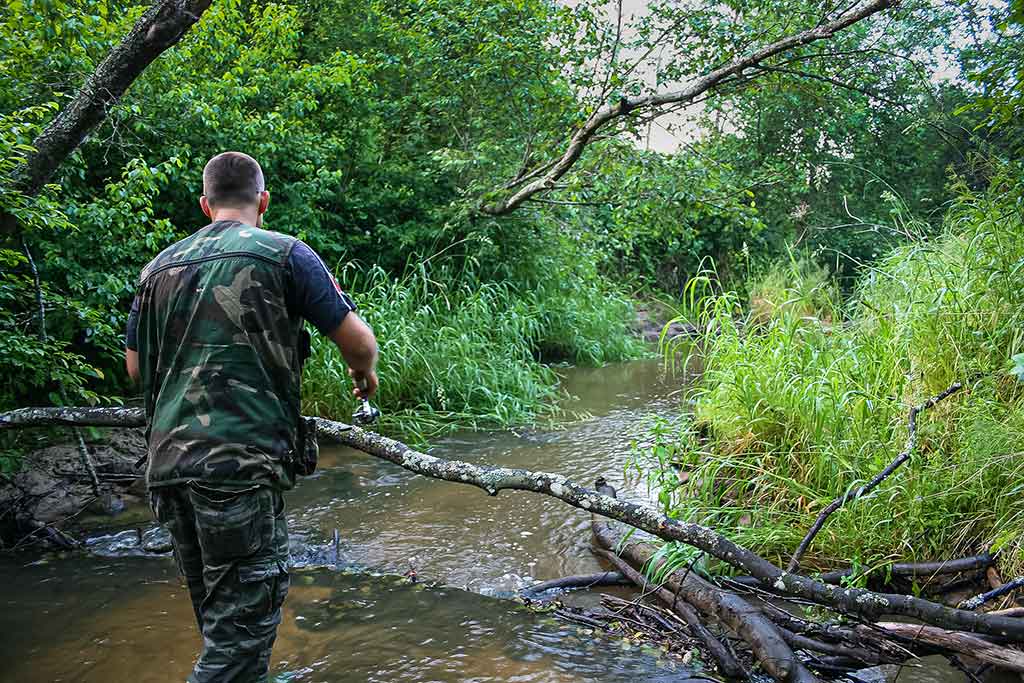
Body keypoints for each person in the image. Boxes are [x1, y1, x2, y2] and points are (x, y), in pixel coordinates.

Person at [124, 151, 378, 682]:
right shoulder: (284, 253)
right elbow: (358, 341)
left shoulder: (156, 270)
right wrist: (364, 379)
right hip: (238, 468)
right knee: (239, 638)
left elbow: (134, 370)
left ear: (204, 204)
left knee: (223, 625)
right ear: (263, 200)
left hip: (168, 469)